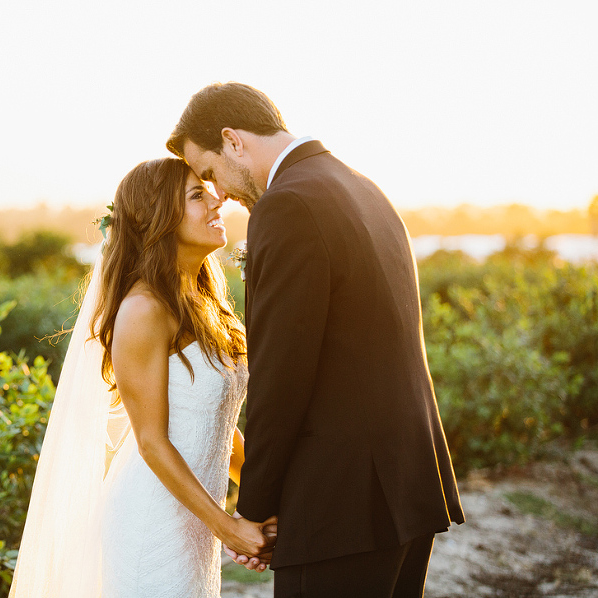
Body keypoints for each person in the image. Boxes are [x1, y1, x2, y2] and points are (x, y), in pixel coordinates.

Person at [167, 82, 464, 597]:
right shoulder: (363, 187)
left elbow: (282, 377)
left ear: (233, 140)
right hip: (407, 485)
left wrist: (253, 511)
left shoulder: (287, 207)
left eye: (211, 172)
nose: (221, 193)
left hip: (340, 504)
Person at [10, 157, 272, 597]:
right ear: (159, 219)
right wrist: (227, 528)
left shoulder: (206, 304)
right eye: (196, 195)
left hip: (193, 522)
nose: (216, 200)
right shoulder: (144, 310)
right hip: (151, 522)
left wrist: (260, 507)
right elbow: (151, 442)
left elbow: (217, 426)